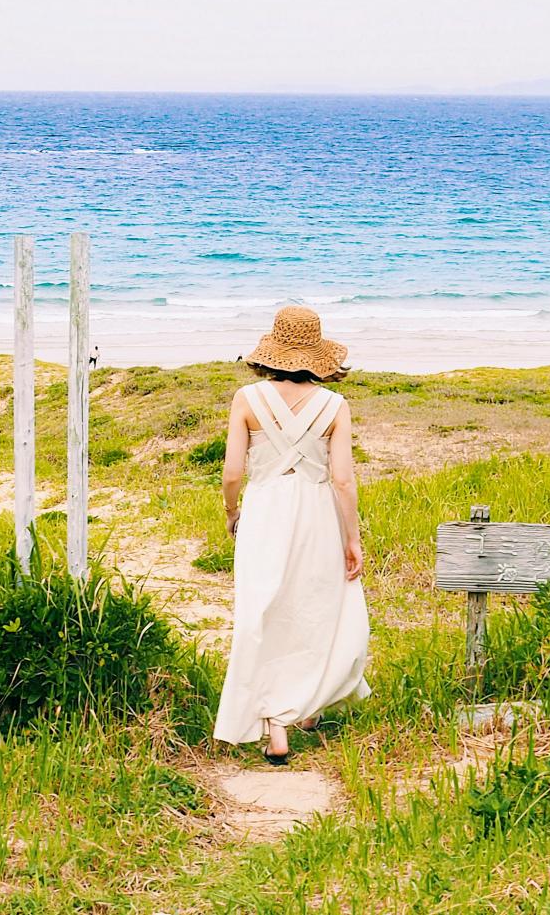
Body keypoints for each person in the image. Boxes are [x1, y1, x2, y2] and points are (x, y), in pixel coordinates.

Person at [212, 305, 370, 763]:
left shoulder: (247, 398)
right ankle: (304, 704)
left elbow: (231, 472)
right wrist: (352, 538)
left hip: (264, 511)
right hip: (316, 512)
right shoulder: (335, 405)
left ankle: (274, 725)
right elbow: (343, 480)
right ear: (318, 355)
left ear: (271, 350)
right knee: (313, 606)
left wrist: (231, 511)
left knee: (263, 610)